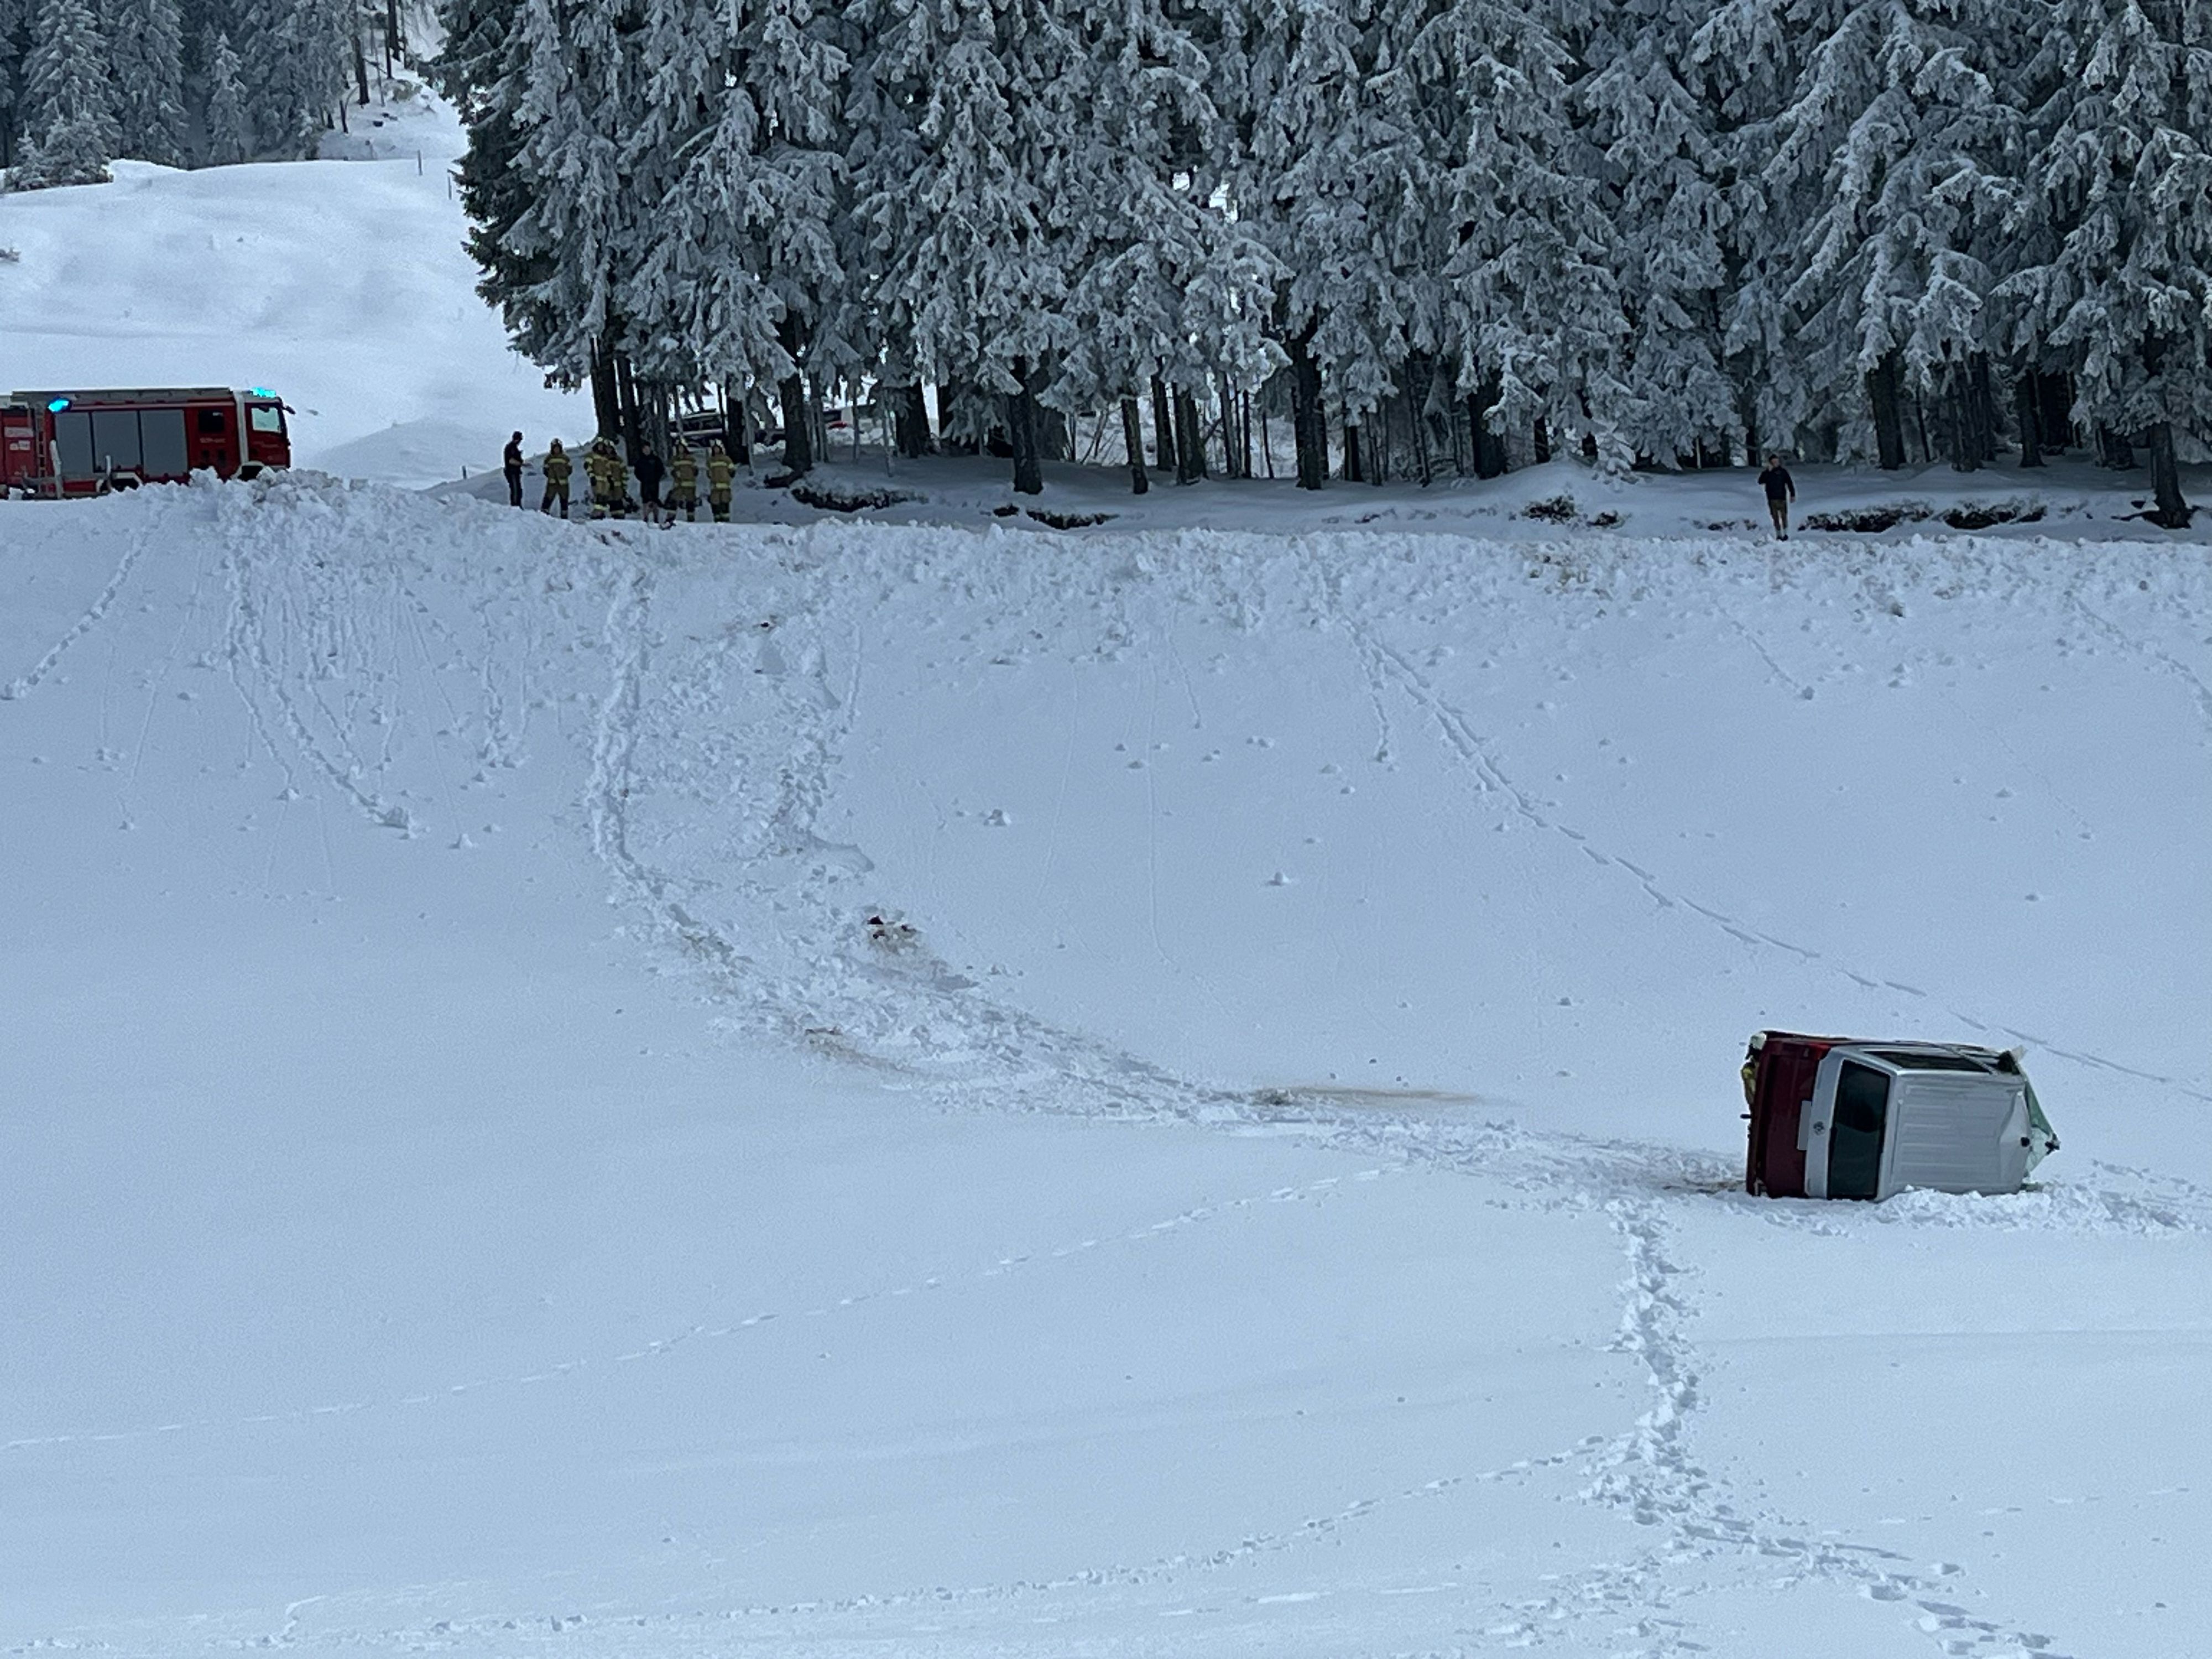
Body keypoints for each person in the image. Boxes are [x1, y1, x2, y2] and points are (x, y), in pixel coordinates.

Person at [1758, 453, 1796, 540]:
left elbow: (1789, 483)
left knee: (1784, 516)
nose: (1775, 463)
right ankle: (1778, 534)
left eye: (1777, 461)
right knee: (1775, 517)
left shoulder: (1783, 472)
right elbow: (1760, 481)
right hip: (1771, 498)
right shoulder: (1768, 473)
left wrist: (1792, 494)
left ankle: (1785, 534)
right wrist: (1768, 472)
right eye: (1773, 462)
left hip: (1782, 498)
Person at [705, 440, 735, 523]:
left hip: (725, 486)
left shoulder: (726, 459)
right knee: (715, 503)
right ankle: (717, 519)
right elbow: (708, 473)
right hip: (715, 487)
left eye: (717, 449)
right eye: (714, 449)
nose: (716, 450)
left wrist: (731, 473)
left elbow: (732, 470)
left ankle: (726, 520)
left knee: (725, 503)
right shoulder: (711, 461)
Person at [668, 441, 699, 523]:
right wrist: (675, 473)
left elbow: (696, 471)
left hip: (689, 484)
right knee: (674, 500)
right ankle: (670, 519)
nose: (680, 449)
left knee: (690, 502)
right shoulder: (675, 459)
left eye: (682, 447)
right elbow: (672, 471)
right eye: (679, 448)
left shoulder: (691, 459)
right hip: (678, 484)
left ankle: (691, 518)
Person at [539, 439, 572, 517]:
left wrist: (563, 475)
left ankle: (564, 516)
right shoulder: (549, 459)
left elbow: (570, 470)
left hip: (563, 484)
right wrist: (551, 476)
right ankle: (544, 514)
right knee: (548, 498)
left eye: (558, 448)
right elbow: (545, 470)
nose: (556, 450)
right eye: (555, 448)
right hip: (552, 484)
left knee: (564, 500)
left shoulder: (566, 458)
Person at [635, 442, 666, 526]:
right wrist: (642, 479)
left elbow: (661, 470)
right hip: (645, 483)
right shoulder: (640, 461)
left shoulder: (656, 460)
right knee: (645, 500)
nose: (646, 451)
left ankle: (656, 518)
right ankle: (646, 517)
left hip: (655, 483)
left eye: (647, 449)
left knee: (655, 500)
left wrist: (657, 478)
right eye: (644, 449)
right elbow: (637, 472)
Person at [503, 431, 525, 507]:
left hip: (514, 472)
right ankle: (516, 506)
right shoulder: (511, 447)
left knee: (517, 489)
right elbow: (511, 461)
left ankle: (517, 505)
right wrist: (521, 464)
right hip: (512, 472)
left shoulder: (513, 447)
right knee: (516, 489)